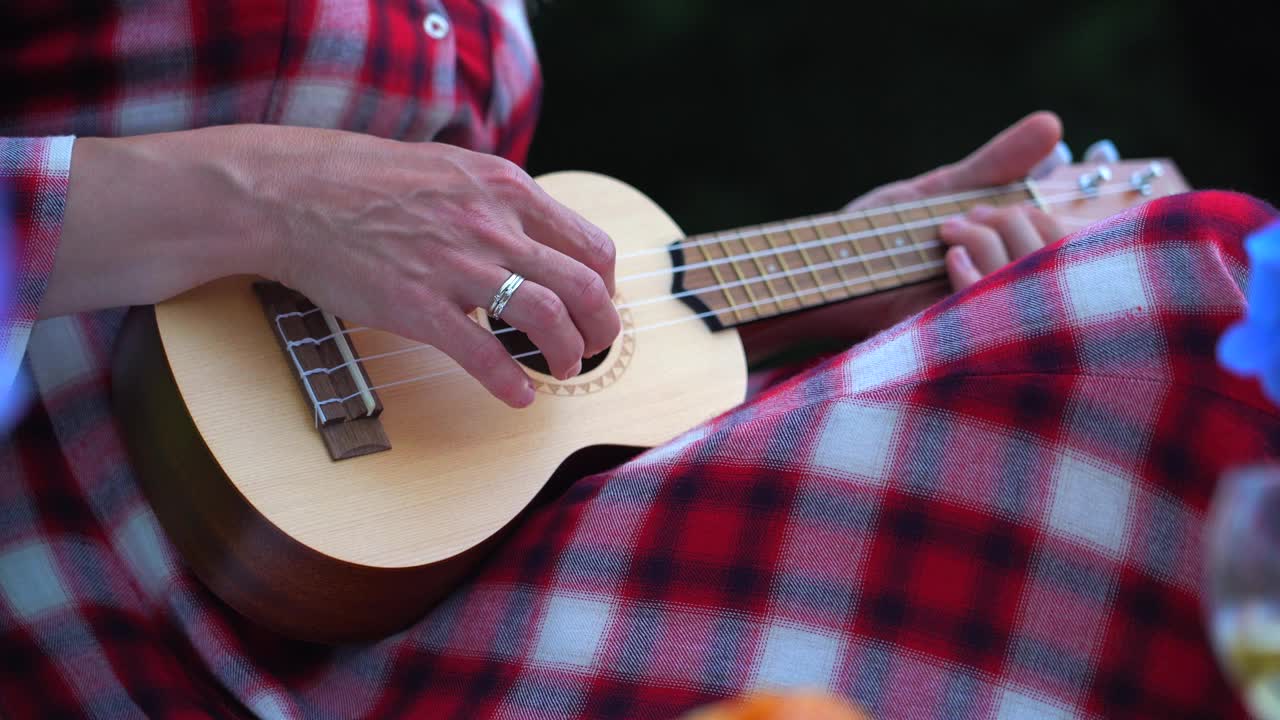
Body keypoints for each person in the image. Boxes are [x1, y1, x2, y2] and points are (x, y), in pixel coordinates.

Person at [0, 1, 1272, 718]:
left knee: (1158, 318)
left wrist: (829, 282)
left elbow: (474, 343)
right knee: (1203, 291)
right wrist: (258, 197)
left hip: (412, 594)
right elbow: (344, 215)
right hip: (107, 608)